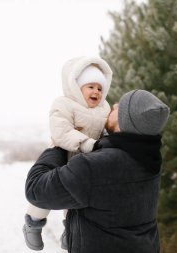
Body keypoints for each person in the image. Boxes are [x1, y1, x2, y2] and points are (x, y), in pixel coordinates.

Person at [24, 89, 170, 253]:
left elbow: (36, 190)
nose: (114, 105)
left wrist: (57, 146)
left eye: (120, 107)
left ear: (125, 121)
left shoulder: (94, 167)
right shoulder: (149, 159)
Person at [22, 56, 113, 251]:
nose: (96, 91)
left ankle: (69, 230)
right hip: (63, 155)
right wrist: (87, 143)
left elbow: (107, 129)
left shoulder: (104, 108)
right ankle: (33, 222)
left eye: (100, 88)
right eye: (91, 86)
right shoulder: (64, 104)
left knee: (74, 200)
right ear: (76, 86)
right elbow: (61, 130)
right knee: (48, 193)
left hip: (86, 160)